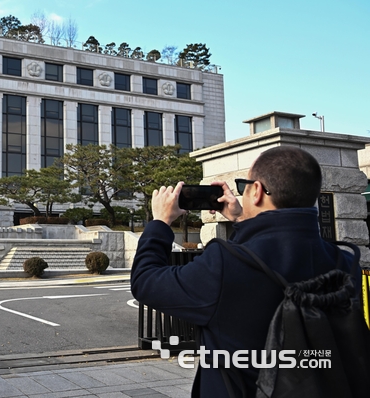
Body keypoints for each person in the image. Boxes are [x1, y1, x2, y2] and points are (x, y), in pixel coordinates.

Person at [130, 146, 362, 397]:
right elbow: (273, 253)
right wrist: (242, 221)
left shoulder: (223, 264)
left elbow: (146, 282)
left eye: (244, 186)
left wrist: (160, 222)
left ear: (258, 191)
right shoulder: (344, 263)